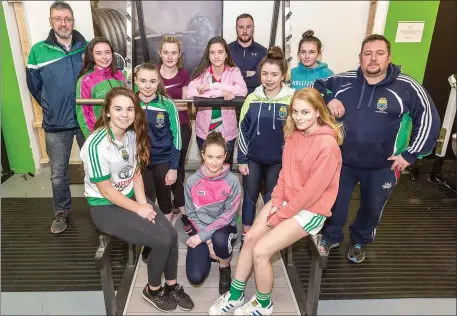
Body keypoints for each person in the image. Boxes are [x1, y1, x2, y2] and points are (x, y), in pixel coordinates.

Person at [208, 88, 343, 315]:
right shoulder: (293, 134)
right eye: (295, 111)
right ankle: (236, 294)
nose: (299, 117)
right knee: (250, 238)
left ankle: (263, 303)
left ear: (319, 112)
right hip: (287, 200)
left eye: (305, 112)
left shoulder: (327, 147)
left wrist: (280, 214)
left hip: (310, 210)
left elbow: (311, 193)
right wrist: (277, 200)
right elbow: (284, 175)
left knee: (261, 251)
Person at [313, 34, 440, 263]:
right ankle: (331, 236)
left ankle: (360, 241)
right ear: (360, 58)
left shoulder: (407, 86)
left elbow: (429, 118)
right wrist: (329, 98)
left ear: (389, 57)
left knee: (371, 208)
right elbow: (317, 86)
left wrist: (410, 153)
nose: (373, 59)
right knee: (334, 203)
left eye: (379, 53)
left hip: (384, 164)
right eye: (367, 54)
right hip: (342, 161)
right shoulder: (344, 81)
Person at [80, 87, 194, 312]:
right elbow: (106, 191)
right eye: (119, 109)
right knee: (161, 241)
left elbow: (136, 174)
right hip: (106, 207)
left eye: (130, 109)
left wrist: (143, 204)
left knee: (170, 234)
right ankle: (152, 290)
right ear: (108, 112)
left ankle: (171, 286)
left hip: (131, 196)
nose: (125, 114)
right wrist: (138, 209)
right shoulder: (95, 145)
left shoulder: (131, 135)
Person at [26, 1, 87, 234]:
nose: (63, 23)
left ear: (73, 21)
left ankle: (100, 207)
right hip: (56, 124)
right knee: (58, 173)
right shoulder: (38, 51)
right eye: (58, 19)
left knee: (93, 167)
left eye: (67, 19)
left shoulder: (87, 47)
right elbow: (34, 86)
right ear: (51, 22)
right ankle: (61, 211)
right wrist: (51, 107)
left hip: (85, 120)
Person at [237, 46, 295, 247]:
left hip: (278, 162)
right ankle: (246, 233)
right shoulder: (252, 98)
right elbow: (242, 129)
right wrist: (242, 159)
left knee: (272, 199)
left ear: (283, 75)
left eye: (274, 74)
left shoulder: (291, 99)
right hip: (253, 159)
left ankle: (268, 232)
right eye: (265, 74)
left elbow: (295, 134)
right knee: (250, 197)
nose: (269, 78)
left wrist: (290, 161)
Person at [185, 132, 241, 296]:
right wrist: (207, 240)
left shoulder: (232, 181)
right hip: (201, 229)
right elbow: (192, 215)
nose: (214, 162)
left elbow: (227, 216)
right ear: (202, 155)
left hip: (224, 229)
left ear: (225, 156)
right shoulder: (192, 182)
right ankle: (210, 253)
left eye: (219, 157)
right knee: (195, 277)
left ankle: (224, 267)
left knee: (221, 240)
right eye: (210, 157)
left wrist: (204, 237)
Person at [187, 36, 248, 167]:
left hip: (227, 133)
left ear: (226, 54)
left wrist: (213, 87)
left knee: (225, 173)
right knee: (207, 171)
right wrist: (221, 93)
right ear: (208, 55)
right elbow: (190, 93)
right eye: (212, 52)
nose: (216, 56)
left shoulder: (234, 72)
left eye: (220, 52)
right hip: (204, 133)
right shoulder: (201, 73)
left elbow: (242, 91)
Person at [134, 62, 181, 222]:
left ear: (158, 82)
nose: (147, 86)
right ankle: (148, 237)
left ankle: (165, 237)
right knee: (143, 200)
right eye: (143, 81)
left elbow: (177, 138)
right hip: (139, 161)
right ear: (135, 80)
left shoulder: (167, 104)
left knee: (164, 201)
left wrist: (174, 168)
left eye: (153, 81)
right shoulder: (131, 103)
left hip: (163, 160)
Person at [157, 36, 193, 233]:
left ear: (179, 55)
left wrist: (165, 103)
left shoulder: (184, 75)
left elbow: (186, 104)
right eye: (166, 52)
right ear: (160, 53)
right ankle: (172, 207)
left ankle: (182, 209)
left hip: (181, 126)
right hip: (158, 129)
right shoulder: (153, 73)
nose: (169, 56)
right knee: (162, 169)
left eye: (174, 52)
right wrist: (173, 103)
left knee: (177, 169)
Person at [76, 37, 127, 138]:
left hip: (123, 133)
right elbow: (83, 113)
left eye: (107, 52)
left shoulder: (121, 75)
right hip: (100, 135)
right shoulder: (85, 81)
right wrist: (91, 137)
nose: (104, 57)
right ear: (92, 56)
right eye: (98, 53)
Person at [228, 13, 267, 95]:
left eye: (248, 27)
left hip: (255, 99)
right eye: (241, 27)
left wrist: (237, 75)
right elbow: (226, 78)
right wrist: (248, 73)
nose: (245, 31)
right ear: (236, 29)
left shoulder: (263, 51)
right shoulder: (227, 50)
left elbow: (259, 79)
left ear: (253, 28)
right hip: (232, 99)